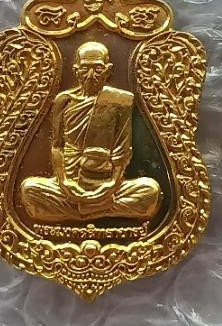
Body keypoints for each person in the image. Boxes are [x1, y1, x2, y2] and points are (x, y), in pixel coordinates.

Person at [21, 41, 161, 222]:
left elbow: (122, 151)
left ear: (108, 70)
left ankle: (80, 211)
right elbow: (57, 146)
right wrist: (64, 182)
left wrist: (112, 185)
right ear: (76, 70)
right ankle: (100, 209)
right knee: (29, 190)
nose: (90, 75)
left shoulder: (120, 100)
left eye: (98, 69)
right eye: (85, 69)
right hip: (69, 183)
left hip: (106, 182)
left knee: (150, 191)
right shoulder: (64, 100)